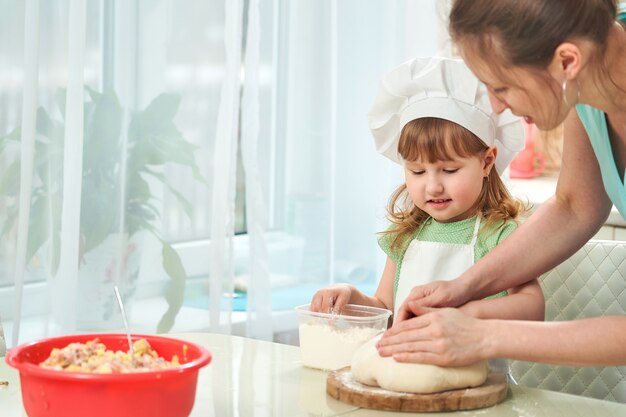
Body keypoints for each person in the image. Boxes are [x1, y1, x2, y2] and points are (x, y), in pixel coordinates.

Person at [377, 0, 626, 368]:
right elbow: (576, 205)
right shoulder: (588, 78)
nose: (494, 106)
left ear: (567, 62)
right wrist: (463, 286)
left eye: (502, 86)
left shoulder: (583, 67)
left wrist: (483, 334)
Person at [309, 57, 544, 343]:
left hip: (480, 380)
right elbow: (387, 310)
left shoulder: (498, 234)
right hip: (409, 376)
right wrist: (351, 299)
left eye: (449, 170)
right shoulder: (405, 236)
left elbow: (532, 307)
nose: (432, 186)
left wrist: (464, 314)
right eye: (417, 171)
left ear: (486, 162)